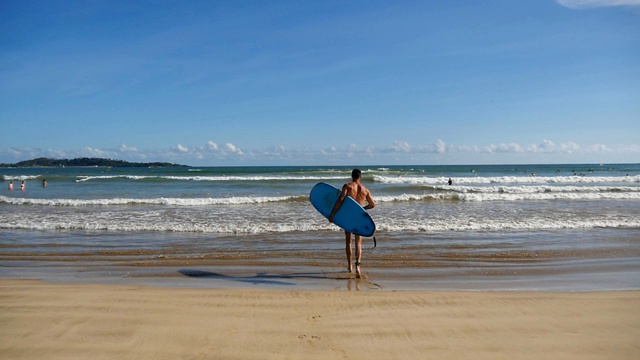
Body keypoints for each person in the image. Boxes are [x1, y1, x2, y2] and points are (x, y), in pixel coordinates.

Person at [328, 169, 375, 278]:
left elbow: (340, 199)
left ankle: (350, 266)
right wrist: (363, 209)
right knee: (358, 242)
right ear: (360, 177)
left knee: (348, 241)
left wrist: (333, 214)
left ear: (351, 176)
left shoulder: (348, 186)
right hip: (358, 217)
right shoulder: (365, 190)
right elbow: (372, 204)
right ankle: (358, 267)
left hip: (348, 217)